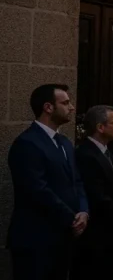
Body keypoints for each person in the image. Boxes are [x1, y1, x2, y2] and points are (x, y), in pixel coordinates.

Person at [7, 84, 88, 280]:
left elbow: (76, 181)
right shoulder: (27, 143)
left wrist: (84, 211)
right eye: (66, 103)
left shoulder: (65, 143)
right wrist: (71, 218)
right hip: (36, 239)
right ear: (48, 107)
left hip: (62, 239)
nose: (72, 108)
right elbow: (37, 189)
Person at [73, 105, 113, 280]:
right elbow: (99, 197)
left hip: (112, 234)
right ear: (100, 127)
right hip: (97, 237)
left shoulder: (106, 152)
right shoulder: (86, 154)